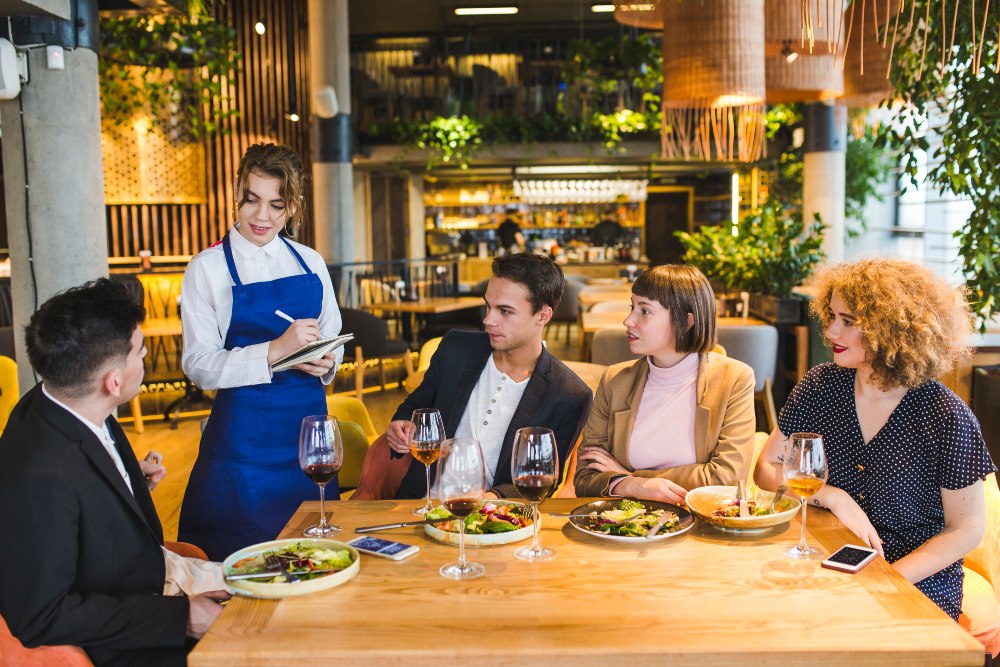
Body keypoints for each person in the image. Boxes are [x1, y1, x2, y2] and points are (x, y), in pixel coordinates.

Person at [0, 279, 229, 666]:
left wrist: (123, 480)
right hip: (129, 640)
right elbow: (41, 615)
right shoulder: (40, 476)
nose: (145, 358)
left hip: (148, 575)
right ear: (114, 381)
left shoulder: (65, 396)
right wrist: (182, 618)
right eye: (140, 352)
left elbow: (80, 484)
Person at [753, 258, 994, 620]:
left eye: (848, 321)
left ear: (892, 329)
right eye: (831, 316)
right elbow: (766, 468)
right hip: (829, 563)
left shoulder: (945, 416)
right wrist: (832, 495)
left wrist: (888, 580)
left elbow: (967, 529)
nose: (831, 332)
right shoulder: (820, 386)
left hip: (914, 581)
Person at [178, 143, 343, 561]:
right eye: (252, 200)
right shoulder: (207, 267)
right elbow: (197, 365)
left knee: (314, 557)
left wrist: (327, 360)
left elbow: (332, 334)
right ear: (237, 192)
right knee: (240, 562)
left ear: (293, 207)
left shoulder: (310, 261)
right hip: (242, 445)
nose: (262, 216)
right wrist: (274, 350)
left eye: (276, 205)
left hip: (308, 440)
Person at [377, 253, 592, 499]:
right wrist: (400, 424)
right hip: (418, 505)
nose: (488, 320)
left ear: (543, 315)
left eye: (505, 311)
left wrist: (494, 499)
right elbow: (414, 406)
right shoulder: (455, 348)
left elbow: (544, 477)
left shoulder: (569, 394)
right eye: (488, 306)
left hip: (495, 515)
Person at [574, 264, 756, 502]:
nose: (628, 321)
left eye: (644, 311)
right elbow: (585, 478)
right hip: (625, 520)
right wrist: (633, 485)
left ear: (686, 322)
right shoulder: (615, 381)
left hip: (702, 520)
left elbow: (726, 479)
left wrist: (632, 480)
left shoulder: (734, 379)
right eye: (632, 307)